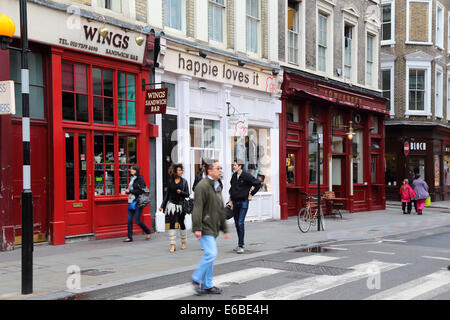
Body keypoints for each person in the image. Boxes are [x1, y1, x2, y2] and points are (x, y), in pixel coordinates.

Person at [191, 160, 230, 295]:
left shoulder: (217, 185)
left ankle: (208, 285)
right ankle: (196, 279)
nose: (220, 170)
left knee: (210, 256)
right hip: (204, 226)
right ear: (209, 171)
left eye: (220, 168)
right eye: (217, 168)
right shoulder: (202, 186)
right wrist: (197, 227)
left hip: (213, 227)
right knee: (211, 254)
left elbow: (220, 209)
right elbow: (197, 208)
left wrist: (224, 228)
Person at [229, 159, 263, 254]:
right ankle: (240, 243)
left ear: (240, 166)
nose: (233, 166)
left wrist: (251, 194)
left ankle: (241, 245)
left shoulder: (246, 176)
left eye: (235, 165)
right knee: (236, 223)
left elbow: (258, 184)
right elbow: (232, 187)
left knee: (240, 223)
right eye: (233, 165)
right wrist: (230, 198)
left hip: (244, 202)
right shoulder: (234, 176)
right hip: (235, 202)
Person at [159, 163, 190, 252]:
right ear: (175, 172)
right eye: (179, 170)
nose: (181, 172)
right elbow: (167, 194)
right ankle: (172, 244)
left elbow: (187, 194)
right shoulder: (170, 181)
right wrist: (162, 206)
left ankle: (183, 242)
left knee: (181, 223)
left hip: (181, 206)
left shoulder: (184, 181)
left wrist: (181, 192)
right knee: (172, 223)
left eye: (181, 170)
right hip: (172, 205)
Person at [122, 165, 151, 242]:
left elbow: (141, 191)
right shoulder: (132, 178)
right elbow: (132, 189)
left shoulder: (140, 178)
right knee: (129, 220)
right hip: (131, 200)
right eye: (131, 169)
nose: (130, 170)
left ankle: (147, 231)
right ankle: (129, 237)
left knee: (137, 220)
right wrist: (126, 191)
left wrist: (130, 191)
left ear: (136, 170)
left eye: (132, 169)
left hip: (138, 201)